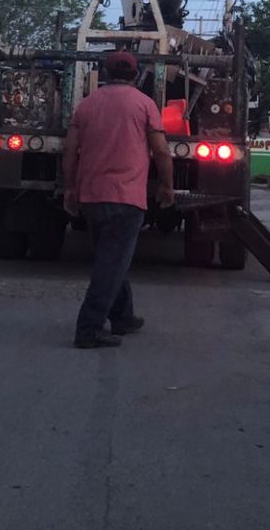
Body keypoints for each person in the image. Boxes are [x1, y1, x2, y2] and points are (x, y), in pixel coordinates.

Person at [62, 50, 175, 349]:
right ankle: (89, 329)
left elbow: (70, 151)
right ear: (135, 75)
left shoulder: (86, 105)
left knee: (110, 257)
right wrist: (167, 186)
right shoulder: (144, 104)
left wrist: (70, 189)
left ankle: (123, 317)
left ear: (105, 73)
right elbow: (161, 151)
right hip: (126, 197)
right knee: (111, 263)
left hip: (91, 196)